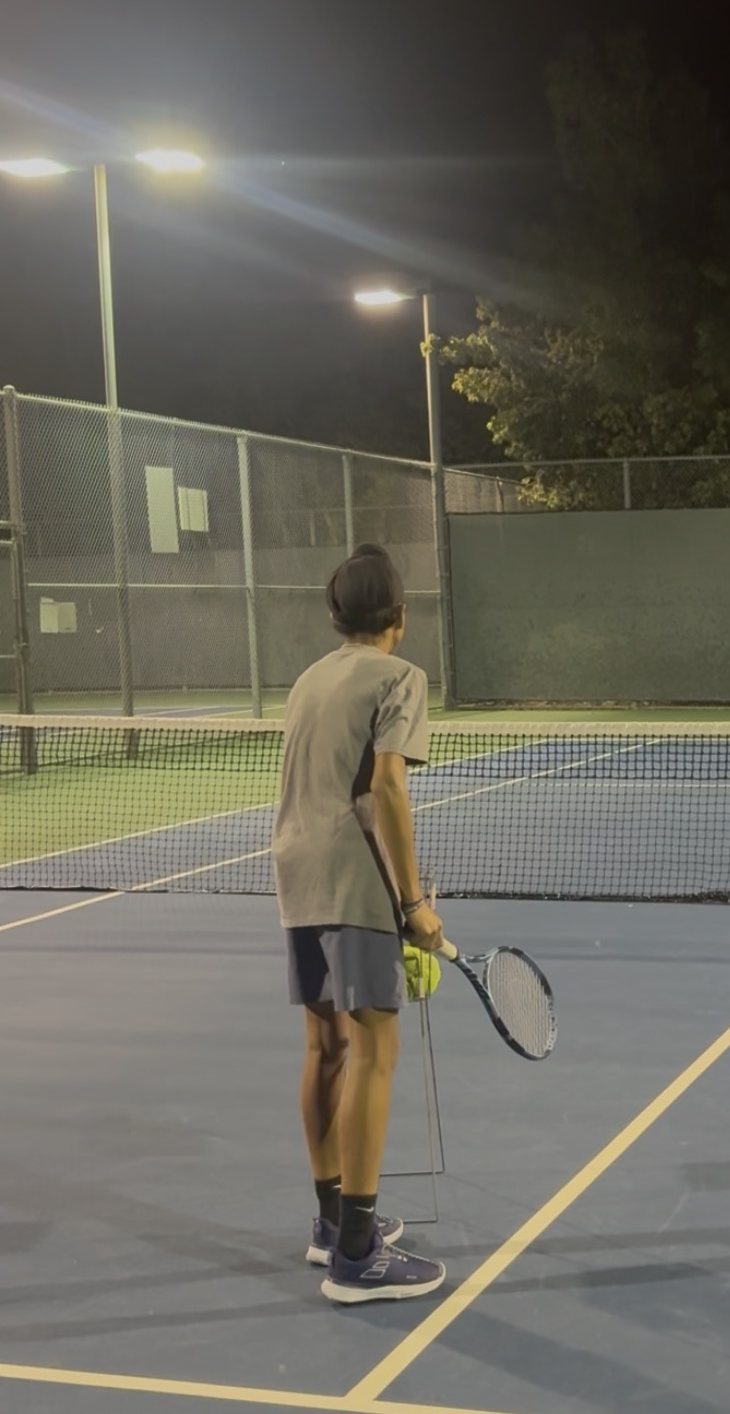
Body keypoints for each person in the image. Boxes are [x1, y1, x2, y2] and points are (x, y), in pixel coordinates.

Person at [272, 542, 447, 1305]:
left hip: (294, 871)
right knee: (377, 1044)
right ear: (399, 618)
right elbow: (386, 790)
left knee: (325, 1043)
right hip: (355, 880)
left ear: (334, 615)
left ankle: (331, 1221)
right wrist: (413, 906)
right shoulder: (400, 676)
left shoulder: (309, 678)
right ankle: (357, 1255)